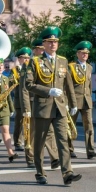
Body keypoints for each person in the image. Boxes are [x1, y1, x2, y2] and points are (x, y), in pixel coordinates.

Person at [24, 26, 82, 186]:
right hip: (43, 108)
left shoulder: (63, 61)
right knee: (40, 142)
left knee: (63, 140)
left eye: (55, 42)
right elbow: (29, 84)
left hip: (60, 107)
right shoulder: (35, 62)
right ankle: (40, 172)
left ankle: (67, 173)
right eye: (50, 42)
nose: (53, 44)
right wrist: (48, 91)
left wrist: (73, 104)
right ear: (44, 44)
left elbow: (68, 84)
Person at [22, 38, 60, 170]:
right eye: (40, 49)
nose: (43, 51)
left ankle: (54, 158)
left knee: (49, 132)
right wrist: (26, 107)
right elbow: (24, 89)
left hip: (46, 103)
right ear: (36, 50)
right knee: (33, 133)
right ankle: (30, 157)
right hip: (33, 104)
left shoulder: (47, 63)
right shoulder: (30, 64)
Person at [68, 41, 96, 159]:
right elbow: (69, 86)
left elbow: (89, 85)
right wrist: (69, 103)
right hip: (74, 101)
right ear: (78, 54)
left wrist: (90, 97)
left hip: (86, 100)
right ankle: (69, 149)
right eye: (82, 53)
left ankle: (90, 150)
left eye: (86, 53)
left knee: (89, 127)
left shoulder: (90, 67)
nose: (85, 55)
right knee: (71, 126)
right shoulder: (71, 67)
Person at [11, 48, 31, 151]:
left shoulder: (31, 69)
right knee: (19, 122)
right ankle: (17, 142)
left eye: (28, 57)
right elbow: (10, 85)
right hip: (19, 101)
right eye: (24, 58)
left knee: (30, 123)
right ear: (19, 59)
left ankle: (29, 141)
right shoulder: (14, 71)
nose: (26, 60)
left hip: (30, 100)